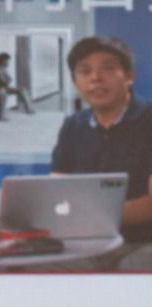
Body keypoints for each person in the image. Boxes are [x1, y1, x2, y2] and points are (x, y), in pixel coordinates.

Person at [50, 36, 152, 271]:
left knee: (134, 266)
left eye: (107, 68)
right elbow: (57, 189)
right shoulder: (73, 125)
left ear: (129, 76)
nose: (95, 77)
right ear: (75, 82)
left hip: (142, 242)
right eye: (85, 71)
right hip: (85, 243)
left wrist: (87, 214)